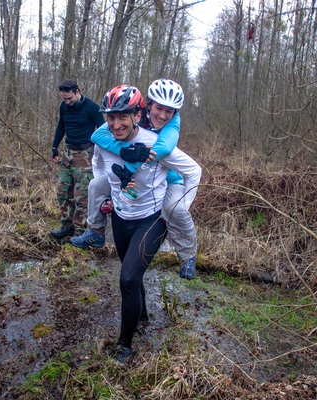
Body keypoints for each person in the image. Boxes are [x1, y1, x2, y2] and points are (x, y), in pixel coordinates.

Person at [92, 85, 201, 363]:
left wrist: (178, 208)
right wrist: (109, 195)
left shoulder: (155, 144)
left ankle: (125, 345)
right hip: (121, 217)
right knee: (132, 271)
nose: (116, 124)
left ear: (137, 115)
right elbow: (99, 166)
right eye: (111, 118)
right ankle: (141, 316)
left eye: (123, 117)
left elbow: (193, 171)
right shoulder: (103, 140)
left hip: (152, 219)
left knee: (127, 278)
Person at [70, 78, 199, 279]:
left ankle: (188, 256)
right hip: (136, 178)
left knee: (177, 208)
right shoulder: (130, 116)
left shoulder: (168, 129)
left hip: (169, 178)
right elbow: (97, 137)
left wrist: (183, 203)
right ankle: (96, 231)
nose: (163, 115)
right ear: (148, 106)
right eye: (159, 108)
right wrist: (125, 153)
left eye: (169, 111)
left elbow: (164, 151)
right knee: (96, 184)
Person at [50, 80, 105, 237]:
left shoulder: (92, 108)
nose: (67, 102)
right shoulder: (64, 107)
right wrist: (54, 147)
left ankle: (80, 231)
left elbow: (103, 131)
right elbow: (61, 126)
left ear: (77, 92)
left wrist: (99, 155)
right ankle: (67, 225)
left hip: (85, 154)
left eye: (70, 98)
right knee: (63, 191)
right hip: (68, 154)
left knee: (81, 195)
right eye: (64, 99)